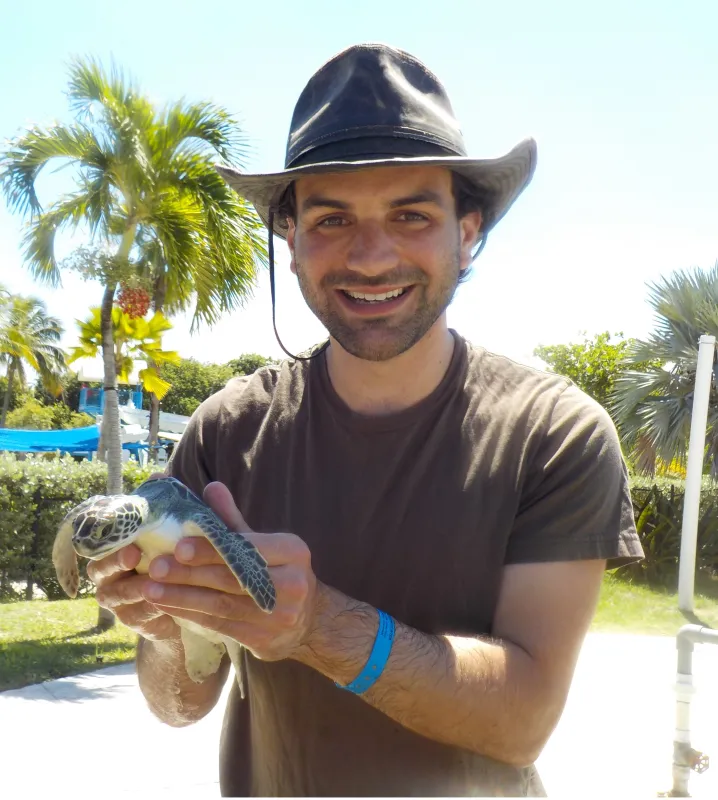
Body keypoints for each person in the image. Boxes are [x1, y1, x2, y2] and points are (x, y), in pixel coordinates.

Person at [89, 43, 644, 797]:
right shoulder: (225, 431)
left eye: (411, 214)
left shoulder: (554, 436)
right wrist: (164, 630)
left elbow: (523, 722)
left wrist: (317, 625)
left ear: (469, 232)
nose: (371, 256)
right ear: (290, 241)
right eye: (332, 218)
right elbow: (178, 705)